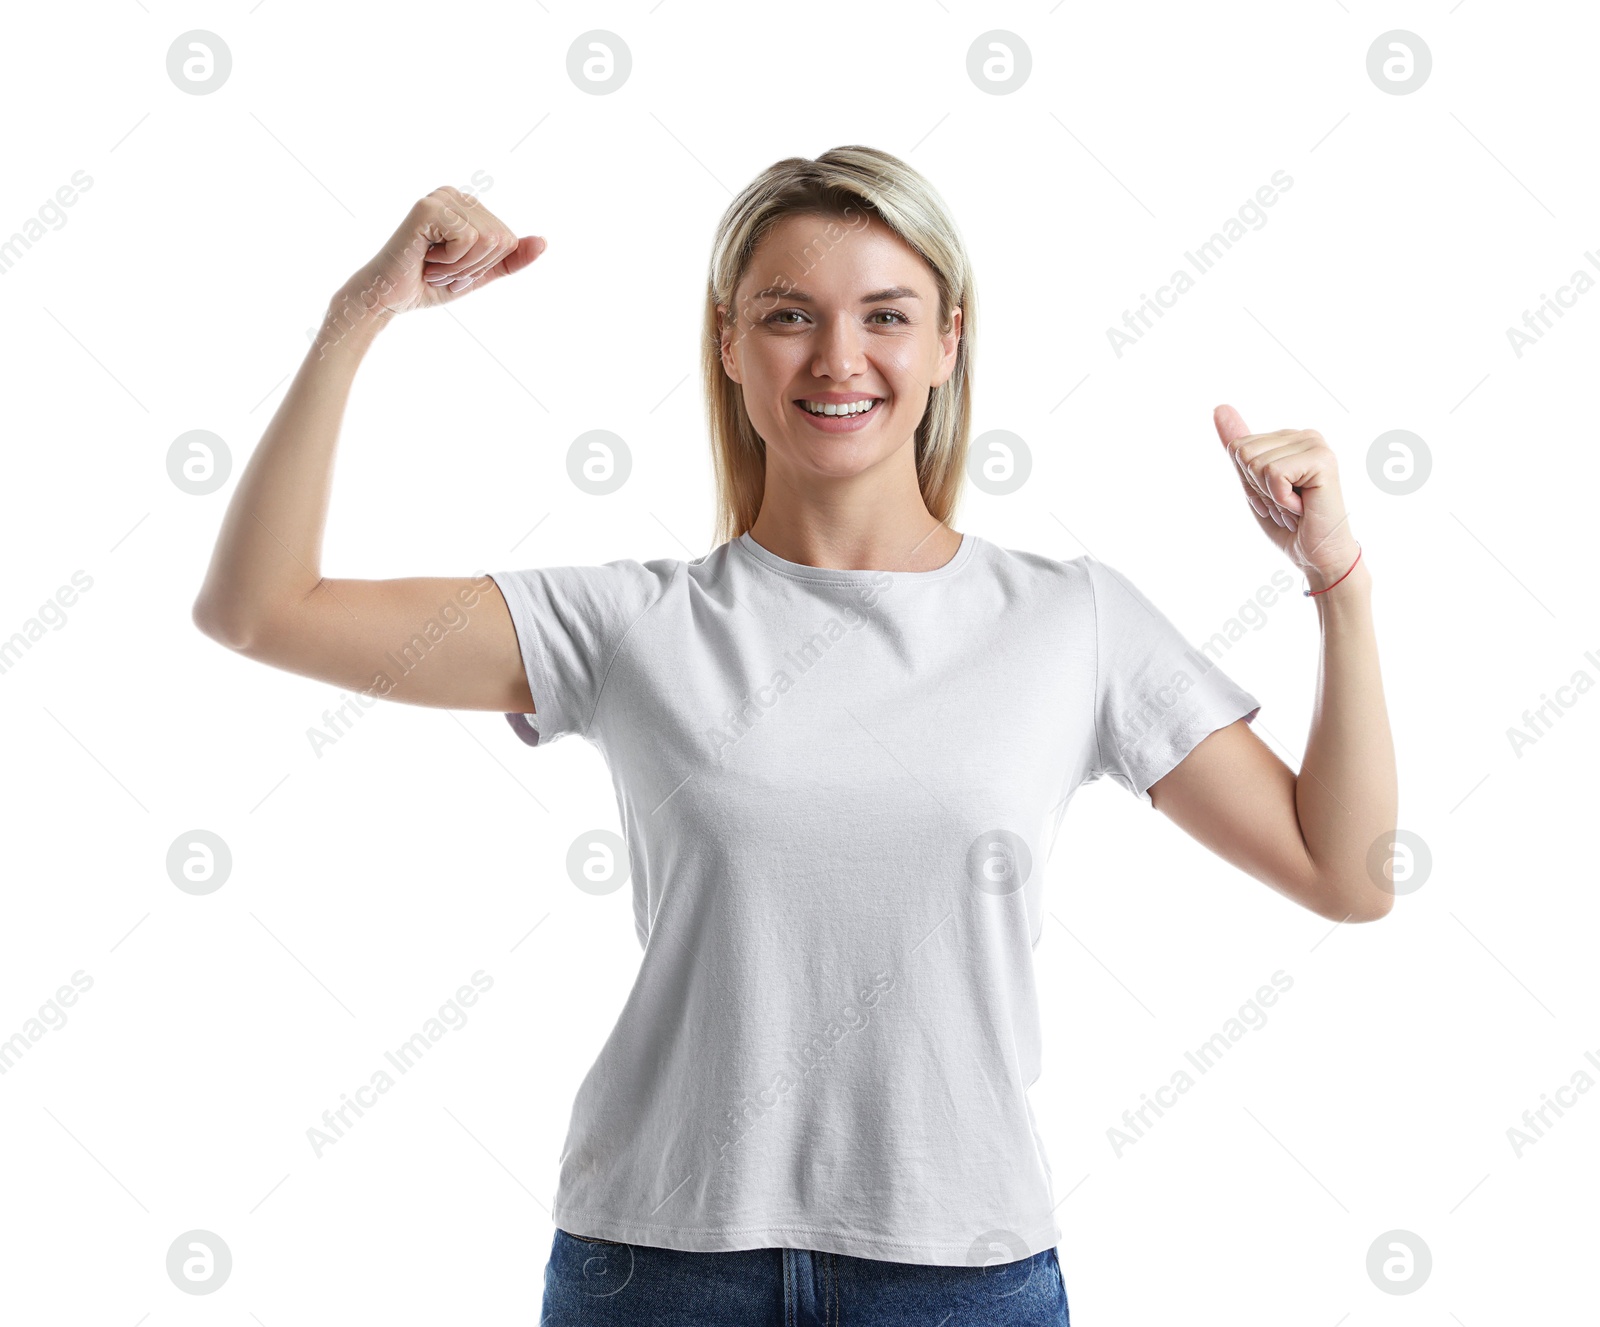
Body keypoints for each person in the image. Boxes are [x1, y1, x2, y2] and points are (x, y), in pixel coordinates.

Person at [192, 145, 1396, 1327]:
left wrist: (1335, 581)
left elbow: (1343, 872)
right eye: (787, 314)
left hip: (959, 1270)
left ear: (946, 344)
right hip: (658, 1267)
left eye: (885, 314)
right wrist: (359, 316)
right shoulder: (625, 623)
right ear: (727, 341)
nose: (838, 357)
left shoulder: (1070, 620)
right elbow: (259, 610)